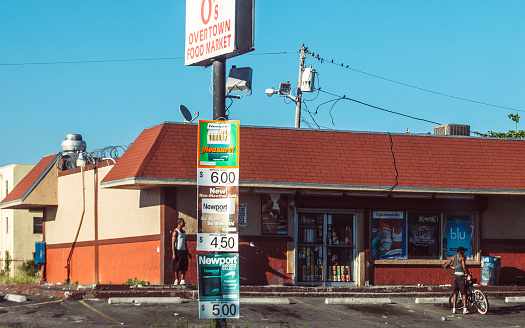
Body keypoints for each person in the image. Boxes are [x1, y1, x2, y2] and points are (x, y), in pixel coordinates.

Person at [443, 247, 471, 314]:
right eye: (463, 251)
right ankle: (464, 309)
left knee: (455, 293)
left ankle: (454, 309)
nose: (464, 252)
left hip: (455, 276)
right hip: (461, 276)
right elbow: (464, 267)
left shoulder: (452, 257)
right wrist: (467, 273)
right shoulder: (462, 257)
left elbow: (446, 265)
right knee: (464, 293)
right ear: (461, 251)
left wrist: (445, 265)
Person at [172, 218, 191, 285]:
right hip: (177, 251)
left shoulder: (183, 232)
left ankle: (182, 280)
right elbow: (173, 243)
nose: (184, 223)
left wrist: (187, 252)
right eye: (183, 222)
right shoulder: (176, 231)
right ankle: (176, 280)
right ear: (180, 223)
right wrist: (174, 254)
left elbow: (184, 242)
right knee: (176, 266)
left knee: (184, 266)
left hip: (183, 251)